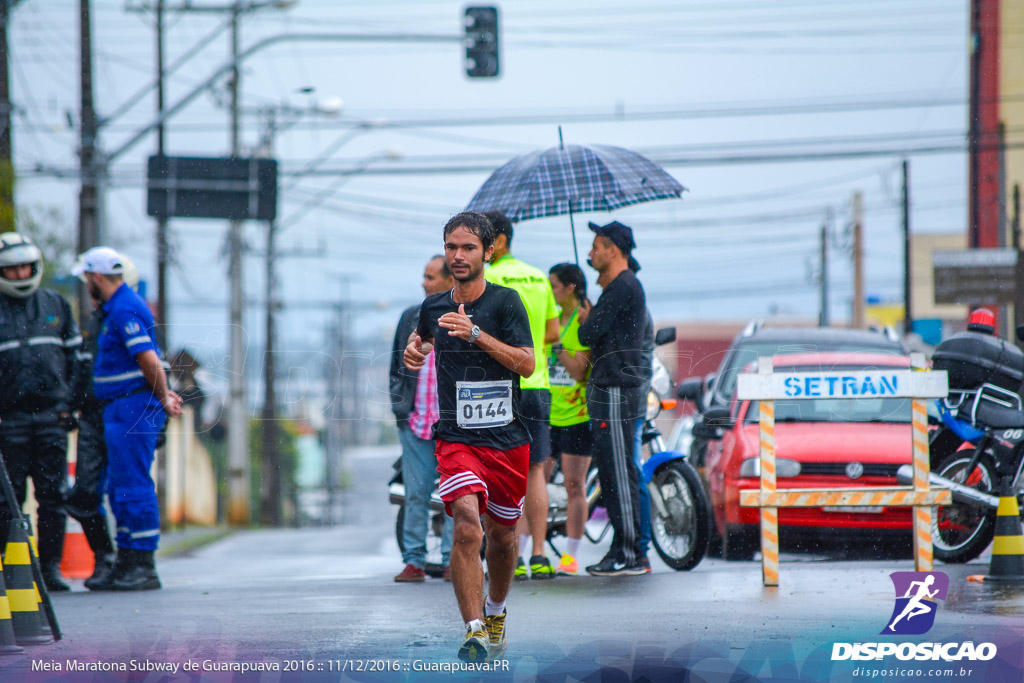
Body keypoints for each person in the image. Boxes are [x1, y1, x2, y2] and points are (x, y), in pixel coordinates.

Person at [404, 211, 534, 662]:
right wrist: (414, 352)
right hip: (455, 436)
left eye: (468, 248)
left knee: (502, 537)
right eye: (451, 247)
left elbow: (526, 364)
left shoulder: (506, 303)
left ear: (489, 251)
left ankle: (495, 609)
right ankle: (474, 629)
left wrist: (477, 334)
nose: (458, 256)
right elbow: (420, 342)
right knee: (465, 523)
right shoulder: (434, 306)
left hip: (507, 440)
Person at [72, 246, 183, 591]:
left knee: (133, 486)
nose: (87, 283)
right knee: (120, 487)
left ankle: (142, 563)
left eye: (87, 278)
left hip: (133, 406)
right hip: (119, 408)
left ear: (96, 277)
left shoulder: (124, 309)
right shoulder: (114, 309)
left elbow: (148, 359)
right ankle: (127, 561)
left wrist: (163, 396)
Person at [0, 233, 81, 592]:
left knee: (53, 497)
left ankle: (50, 569)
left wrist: (68, 406)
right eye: (11, 269)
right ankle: (13, 571)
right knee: (8, 500)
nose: (19, 274)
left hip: (51, 418)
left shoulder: (56, 305)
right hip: (9, 421)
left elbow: (75, 363)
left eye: (24, 267)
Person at [481, 210, 559, 581]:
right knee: (535, 471)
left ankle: (506, 551)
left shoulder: (487, 278)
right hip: (538, 384)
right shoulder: (538, 276)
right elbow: (552, 335)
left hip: (500, 387)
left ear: (497, 242)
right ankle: (540, 553)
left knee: (494, 470)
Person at [577, 221, 648, 577]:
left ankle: (630, 552)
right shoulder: (618, 287)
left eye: (596, 246)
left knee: (619, 472)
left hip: (618, 388)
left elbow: (588, 333)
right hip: (610, 388)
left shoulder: (623, 286)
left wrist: (588, 318)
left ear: (613, 250)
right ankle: (624, 548)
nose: (591, 253)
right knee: (612, 470)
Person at [67, 251, 140, 591]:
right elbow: (82, 369)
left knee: (121, 489)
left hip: (122, 413)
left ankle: (126, 562)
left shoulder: (127, 315)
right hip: (93, 418)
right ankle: (106, 556)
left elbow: (154, 366)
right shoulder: (98, 320)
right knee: (83, 493)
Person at [390, 254, 455, 583]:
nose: (424, 283)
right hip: (416, 421)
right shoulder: (410, 317)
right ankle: (414, 561)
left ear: (449, 280)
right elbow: (395, 367)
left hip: (453, 424)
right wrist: (400, 408)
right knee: (415, 493)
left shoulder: (462, 316)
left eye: (430, 277)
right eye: (424, 276)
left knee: (456, 496)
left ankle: (451, 561)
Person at [545, 263, 592, 576]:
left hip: (577, 415)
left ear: (570, 287)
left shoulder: (585, 319)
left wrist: (558, 346)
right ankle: (526, 552)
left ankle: (570, 556)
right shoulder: (548, 319)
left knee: (575, 485)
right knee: (534, 483)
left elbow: (578, 369)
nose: (550, 291)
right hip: (545, 415)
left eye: (554, 285)